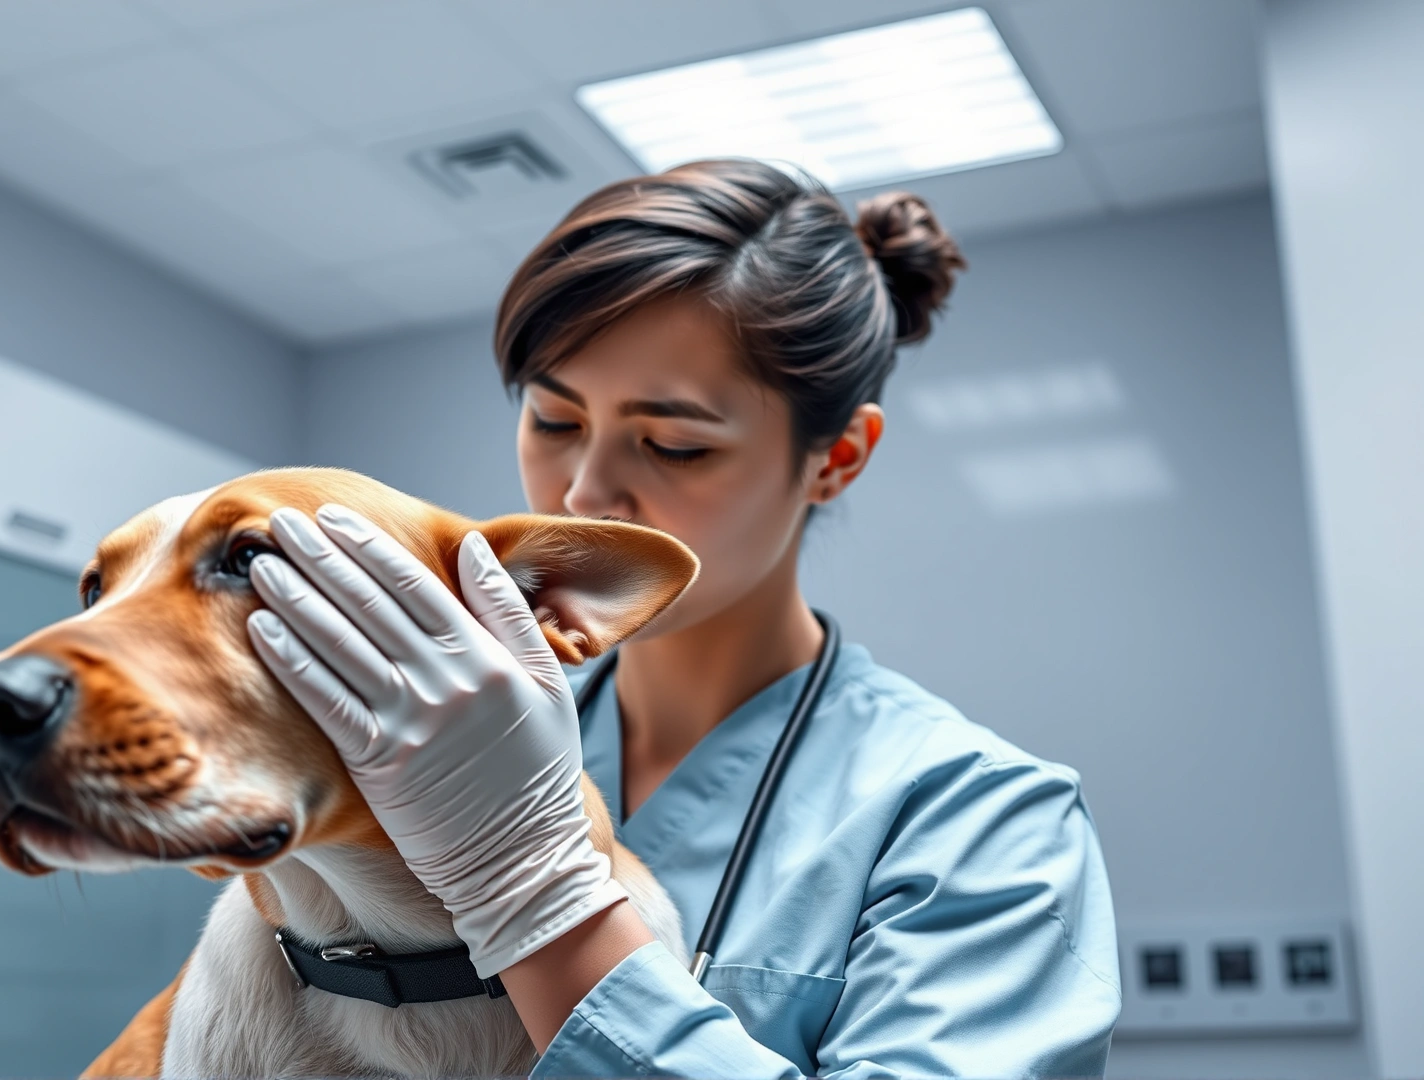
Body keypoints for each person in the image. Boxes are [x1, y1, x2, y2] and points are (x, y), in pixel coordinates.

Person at [242, 159, 1121, 1078]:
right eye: (552, 419)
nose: (584, 493)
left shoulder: (981, 819)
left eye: (674, 444)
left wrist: (534, 890)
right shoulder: (419, 750)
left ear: (836, 458)